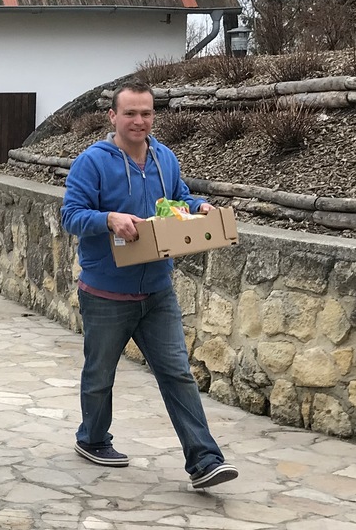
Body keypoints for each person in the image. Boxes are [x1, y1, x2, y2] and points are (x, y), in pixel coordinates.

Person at [60, 80, 239, 492]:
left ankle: (204, 460)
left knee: (177, 374)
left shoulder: (165, 158)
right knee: (100, 375)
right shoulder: (92, 162)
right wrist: (108, 219)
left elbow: (178, 198)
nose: (139, 121)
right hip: (105, 293)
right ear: (113, 116)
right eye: (130, 113)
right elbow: (70, 215)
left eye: (146, 113)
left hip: (158, 291)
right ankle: (92, 438)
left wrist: (198, 207)